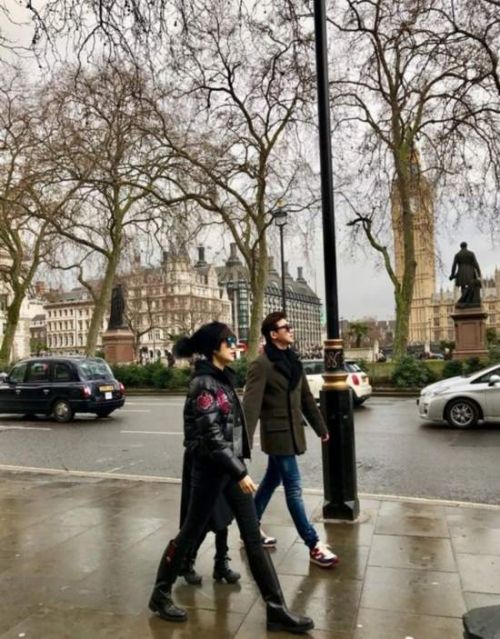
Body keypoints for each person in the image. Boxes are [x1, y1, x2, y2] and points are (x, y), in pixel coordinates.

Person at [149, 321, 314, 633]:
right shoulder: (203, 384)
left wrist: (238, 466)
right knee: (189, 534)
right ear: (214, 347)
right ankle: (160, 594)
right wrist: (239, 472)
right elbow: (212, 437)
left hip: (230, 469)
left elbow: (230, 430)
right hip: (211, 473)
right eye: (229, 340)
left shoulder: (221, 379)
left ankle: (276, 609)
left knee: (253, 538)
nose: (234, 344)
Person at [243, 311, 338, 569]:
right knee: (294, 488)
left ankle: (249, 527)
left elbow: (306, 398)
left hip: (294, 431)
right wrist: (243, 444)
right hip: (277, 436)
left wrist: (321, 428)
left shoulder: (293, 360)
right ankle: (313, 544)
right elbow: (250, 407)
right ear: (274, 334)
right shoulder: (261, 365)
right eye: (286, 327)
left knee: (271, 481)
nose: (291, 330)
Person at [178, 447, 240, 585]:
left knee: (222, 515)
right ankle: (185, 561)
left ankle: (220, 562)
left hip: (220, 459)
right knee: (205, 518)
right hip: (205, 460)